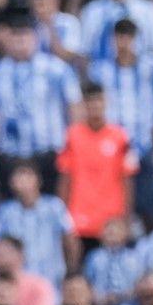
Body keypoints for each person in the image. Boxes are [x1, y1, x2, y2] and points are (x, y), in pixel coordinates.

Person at [0, 15, 78, 193]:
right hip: (10, 156)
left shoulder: (57, 69)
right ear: (8, 40)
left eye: (26, 35)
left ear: (36, 38)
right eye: (16, 36)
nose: (21, 41)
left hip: (49, 154)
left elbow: (75, 111)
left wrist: (76, 152)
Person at [92, 19, 153, 220]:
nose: (123, 42)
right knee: (113, 206)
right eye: (119, 36)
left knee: (148, 207)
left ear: (136, 39)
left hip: (144, 145)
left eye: (128, 37)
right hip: (111, 148)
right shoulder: (100, 70)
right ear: (112, 40)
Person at [59, 82, 138, 244]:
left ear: (106, 103)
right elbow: (65, 178)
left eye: (99, 100)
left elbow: (128, 180)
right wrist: (62, 216)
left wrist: (127, 219)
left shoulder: (120, 136)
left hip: (111, 217)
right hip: (79, 215)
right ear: (84, 105)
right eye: (90, 101)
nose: (95, 105)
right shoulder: (72, 136)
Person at [0, 161, 77, 288]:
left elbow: (70, 241)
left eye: (27, 176)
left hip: (52, 279)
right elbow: (0, 246)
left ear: (38, 180)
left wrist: (70, 270)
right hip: (19, 282)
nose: (23, 181)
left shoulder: (54, 207)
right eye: (18, 176)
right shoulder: (5, 211)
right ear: (11, 182)